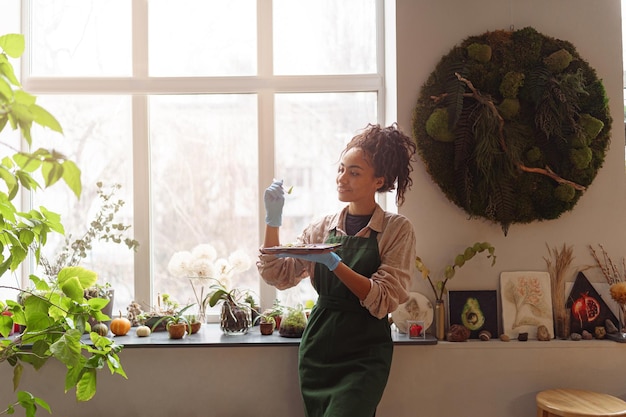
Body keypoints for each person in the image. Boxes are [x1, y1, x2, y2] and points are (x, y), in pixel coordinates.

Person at [257, 123, 417, 417]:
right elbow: (278, 274)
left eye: (354, 172)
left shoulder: (396, 230)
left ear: (378, 180)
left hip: (365, 352)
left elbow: (384, 298)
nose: (342, 178)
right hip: (320, 346)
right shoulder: (321, 227)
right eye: (341, 169)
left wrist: (334, 263)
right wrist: (273, 220)